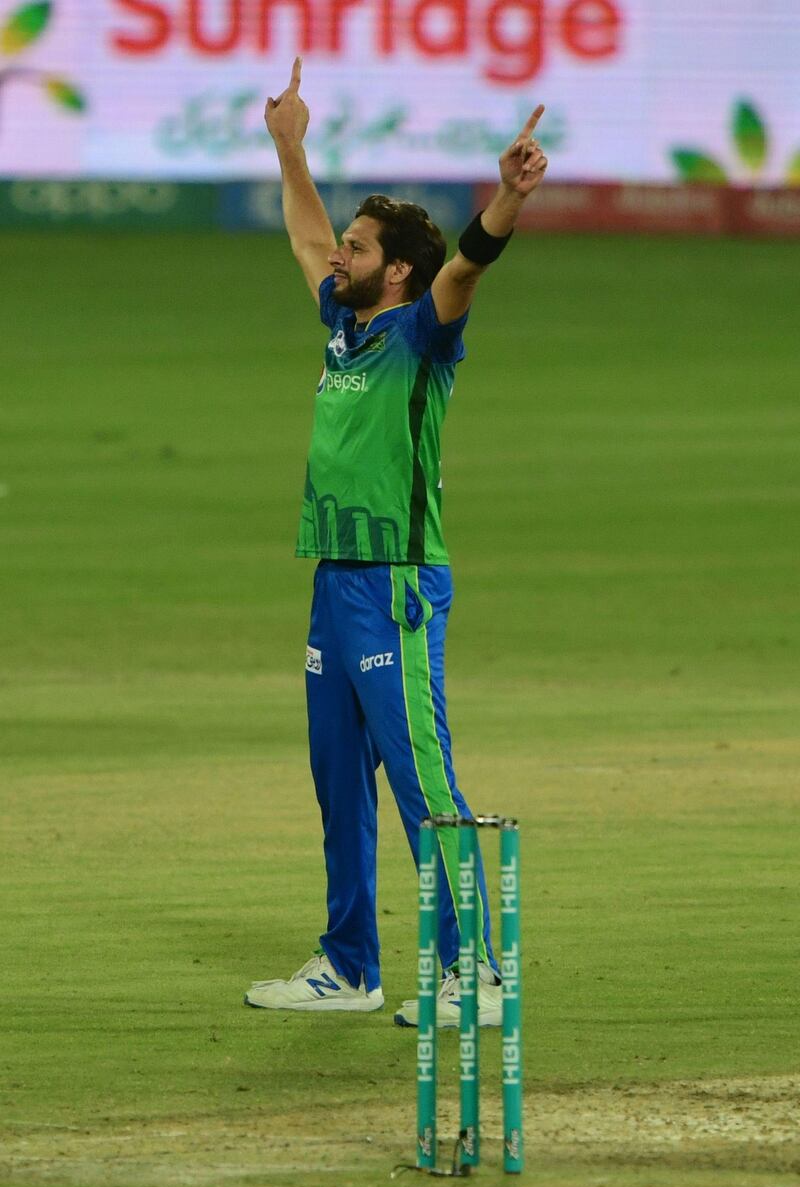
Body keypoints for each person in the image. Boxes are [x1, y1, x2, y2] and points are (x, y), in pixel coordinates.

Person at [244, 58, 547, 1026]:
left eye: (357, 245)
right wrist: (290, 145)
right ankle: (349, 963)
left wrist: (503, 196)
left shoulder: (422, 332)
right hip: (333, 582)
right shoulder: (344, 324)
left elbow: (467, 267)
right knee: (338, 777)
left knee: (421, 778)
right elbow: (302, 235)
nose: (337, 252)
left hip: (399, 585)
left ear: (398, 269)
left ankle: (478, 975)